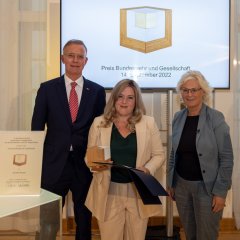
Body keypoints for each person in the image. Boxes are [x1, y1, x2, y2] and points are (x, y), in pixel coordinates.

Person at [31, 39, 106, 240]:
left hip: (85, 165)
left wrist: (100, 163)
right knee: (48, 221)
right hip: (53, 165)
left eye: (80, 56)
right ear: (62, 58)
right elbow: (36, 128)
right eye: (71, 55)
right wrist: (34, 165)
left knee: (84, 219)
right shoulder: (47, 89)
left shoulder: (97, 91)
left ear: (86, 61)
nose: (75, 60)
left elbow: (101, 131)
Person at [84, 79, 165, 240]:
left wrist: (148, 168)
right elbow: (88, 156)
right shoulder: (99, 123)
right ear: (113, 99)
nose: (124, 101)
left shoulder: (148, 123)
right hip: (108, 190)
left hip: (138, 190)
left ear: (136, 101)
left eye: (130, 97)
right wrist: (95, 165)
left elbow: (159, 155)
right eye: (120, 96)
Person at [167, 70, 233, 240]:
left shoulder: (216, 119)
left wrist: (220, 192)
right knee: (190, 235)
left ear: (203, 92)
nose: (189, 94)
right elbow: (174, 153)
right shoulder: (178, 117)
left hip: (208, 190)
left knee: (206, 235)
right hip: (182, 187)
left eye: (194, 90)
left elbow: (226, 159)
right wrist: (171, 183)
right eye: (185, 90)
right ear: (181, 92)